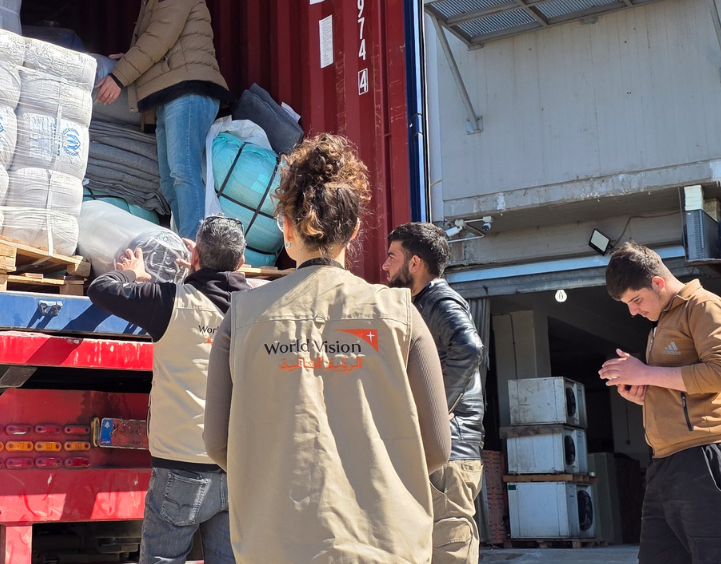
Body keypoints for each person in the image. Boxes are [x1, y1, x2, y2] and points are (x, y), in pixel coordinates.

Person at [203, 134, 451, 564]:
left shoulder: (241, 316)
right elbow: (437, 447)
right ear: (354, 230)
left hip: (273, 545)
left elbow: (216, 441)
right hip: (384, 543)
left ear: (286, 227)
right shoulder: (400, 313)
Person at [86, 216, 252, 564]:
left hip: (180, 468)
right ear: (241, 263)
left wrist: (133, 272)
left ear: (195, 258)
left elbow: (101, 289)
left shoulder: (168, 301)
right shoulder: (259, 309)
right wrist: (204, 265)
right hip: (238, 469)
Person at [597, 242, 721, 564]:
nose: (633, 310)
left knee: (717, 558)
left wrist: (645, 372)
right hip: (667, 461)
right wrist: (643, 390)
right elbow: (679, 389)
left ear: (658, 282)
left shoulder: (704, 306)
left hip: (708, 453)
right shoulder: (663, 322)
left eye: (636, 300)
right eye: (627, 304)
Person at [94, 0, 230, 239]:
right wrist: (128, 56)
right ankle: (186, 242)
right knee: (168, 182)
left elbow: (158, 39)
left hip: (189, 91)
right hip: (168, 96)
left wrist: (119, 76)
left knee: (183, 171)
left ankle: (194, 247)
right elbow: (161, 44)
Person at [383, 222, 486, 564]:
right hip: (437, 454)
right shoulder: (418, 304)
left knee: (449, 552)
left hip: (451, 454)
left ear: (414, 264)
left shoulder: (439, 300)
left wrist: (436, 410)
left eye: (391, 257)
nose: (384, 266)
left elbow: (470, 347)